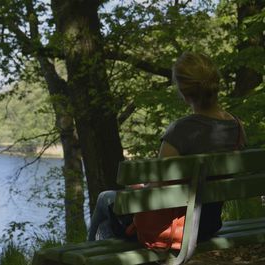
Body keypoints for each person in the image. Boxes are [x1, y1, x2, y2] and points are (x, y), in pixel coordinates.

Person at [88, 51, 246, 242]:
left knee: (105, 199)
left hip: (176, 227)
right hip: (208, 225)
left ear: (184, 93)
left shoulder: (180, 131)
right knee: (107, 226)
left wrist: (141, 187)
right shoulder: (236, 127)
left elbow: (157, 192)